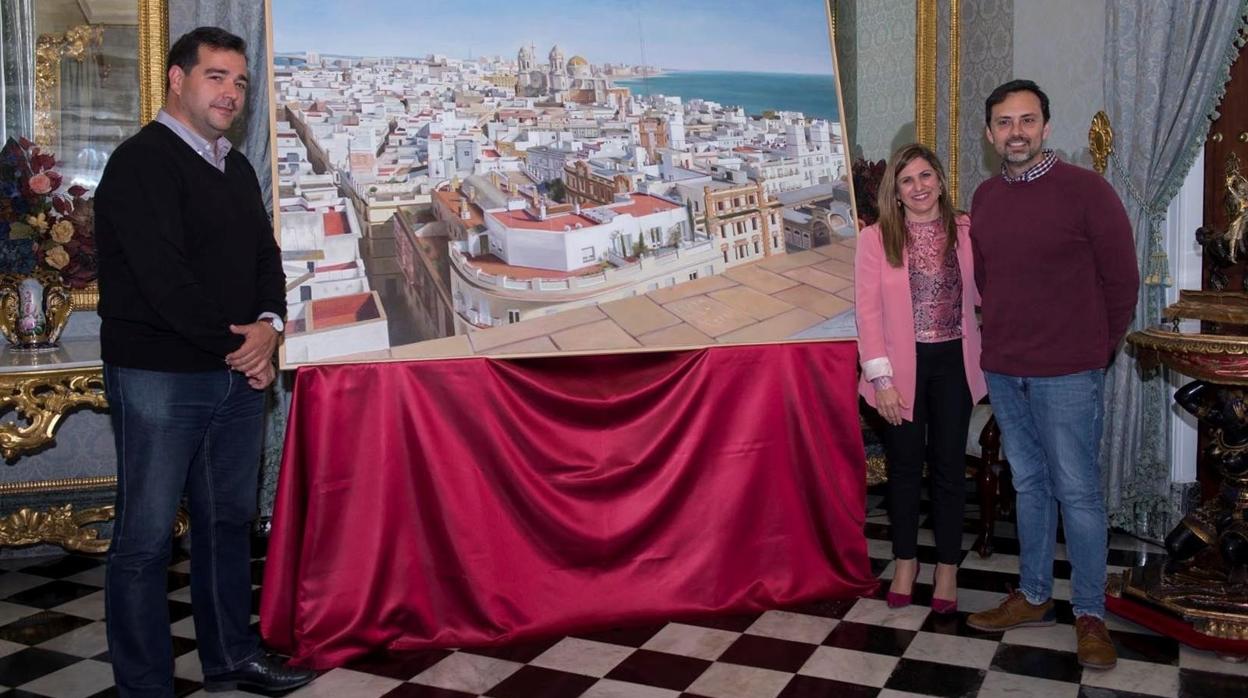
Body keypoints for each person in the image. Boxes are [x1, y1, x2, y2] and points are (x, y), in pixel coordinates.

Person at [94, 27, 314, 696]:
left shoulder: (236, 167)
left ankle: (232, 657)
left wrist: (271, 327)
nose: (230, 92)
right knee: (145, 540)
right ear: (177, 78)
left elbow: (263, 260)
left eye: (240, 82)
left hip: (235, 377)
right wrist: (244, 346)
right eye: (216, 76)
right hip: (161, 376)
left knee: (225, 525)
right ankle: (145, 685)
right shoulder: (140, 162)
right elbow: (165, 281)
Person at [965, 80, 1138, 670]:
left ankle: (1089, 613)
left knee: (1080, 494)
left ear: (1045, 126)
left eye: (1028, 120)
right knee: (1029, 487)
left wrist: (1097, 348)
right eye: (1005, 123)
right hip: (1007, 368)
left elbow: (1122, 281)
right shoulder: (985, 197)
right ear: (989, 135)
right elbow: (988, 280)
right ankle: (1035, 594)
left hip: (1069, 371)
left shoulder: (1087, 191)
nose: (1017, 131)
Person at [855, 144, 986, 614]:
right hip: (900, 371)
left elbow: (989, 290)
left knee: (950, 470)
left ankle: (947, 567)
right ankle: (906, 561)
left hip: (955, 363)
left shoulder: (967, 231)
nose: (919, 187)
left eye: (926, 176)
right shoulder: (875, 239)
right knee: (906, 471)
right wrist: (881, 380)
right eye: (907, 180)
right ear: (896, 191)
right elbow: (867, 313)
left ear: (941, 181)